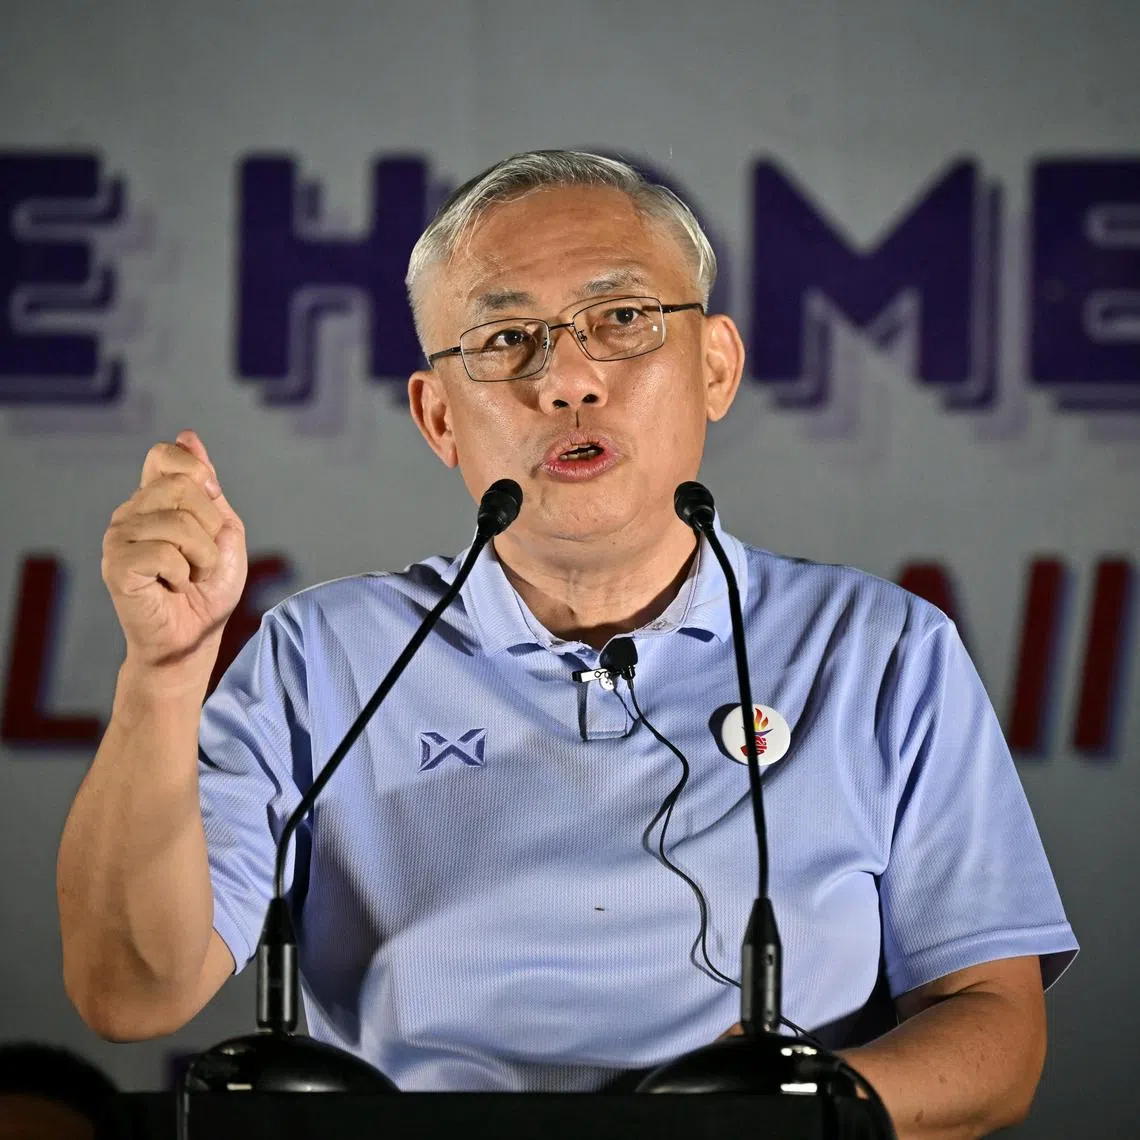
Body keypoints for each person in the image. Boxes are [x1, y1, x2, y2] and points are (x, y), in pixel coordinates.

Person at [58, 151, 1077, 1135]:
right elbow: (131, 992)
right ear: (437, 417)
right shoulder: (324, 659)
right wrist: (165, 672)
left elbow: (998, 1037)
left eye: (623, 318)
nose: (568, 380)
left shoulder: (877, 649)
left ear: (715, 364)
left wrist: (810, 1110)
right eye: (505, 342)